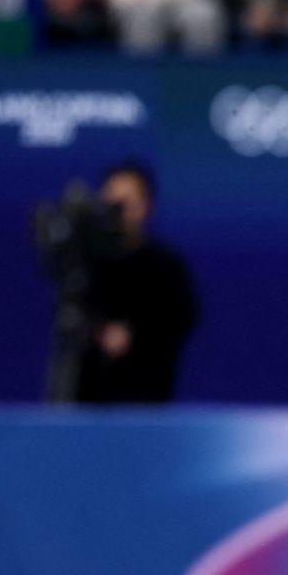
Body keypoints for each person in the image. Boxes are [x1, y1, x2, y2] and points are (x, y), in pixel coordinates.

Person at [73, 162, 199, 403]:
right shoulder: (84, 263)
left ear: (145, 207)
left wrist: (134, 336)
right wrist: (98, 332)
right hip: (87, 401)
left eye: (126, 203)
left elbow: (182, 317)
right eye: (111, 203)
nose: (118, 212)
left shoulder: (164, 265)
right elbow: (70, 315)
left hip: (145, 397)